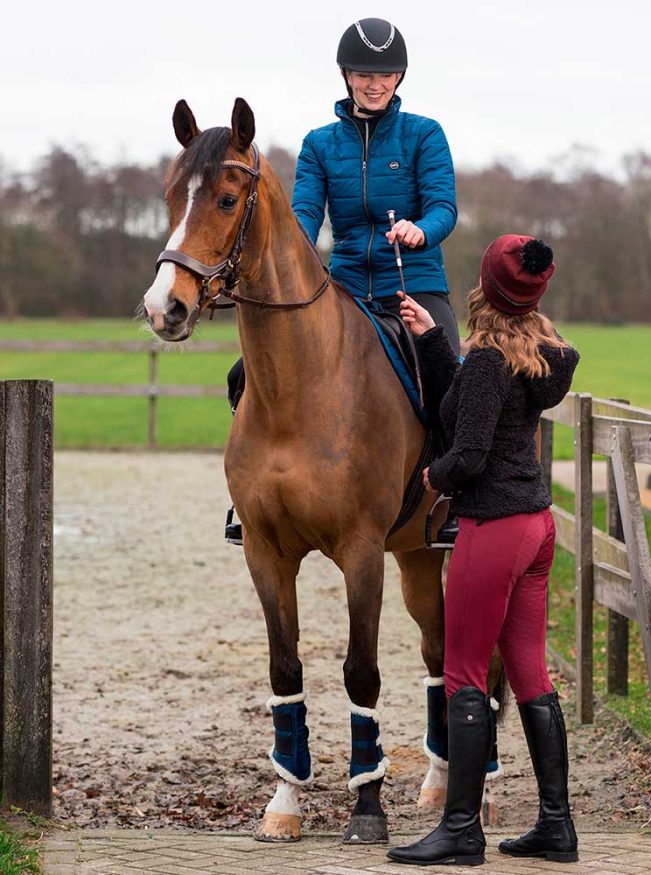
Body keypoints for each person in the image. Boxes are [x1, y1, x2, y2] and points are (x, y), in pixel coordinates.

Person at [226, 16, 460, 544]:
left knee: (451, 376)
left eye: (385, 75)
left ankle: (458, 496)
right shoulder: (319, 144)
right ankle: (248, 497)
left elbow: (444, 206)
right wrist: (291, 254)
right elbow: (303, 215)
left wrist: (421, 230)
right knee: (245, 373)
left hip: (414, 283)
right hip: (346, 286)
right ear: (345, 74)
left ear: (399, 78)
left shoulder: (424, 134)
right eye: (363, 73)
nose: (374, 84)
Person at [386, 235, 580, 867]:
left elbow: (467, 450)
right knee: (528, 671)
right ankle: (556, 827)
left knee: (465, 674)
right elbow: (471, 403)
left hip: (492, 529)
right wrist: (430, 339)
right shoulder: (537, 356)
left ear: (485, 287)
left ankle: (461, 830)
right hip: (536, 528)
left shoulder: (493, 361)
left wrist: (435, 477)